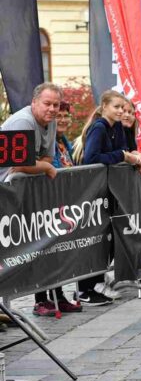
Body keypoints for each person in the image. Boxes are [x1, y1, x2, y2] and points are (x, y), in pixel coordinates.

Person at [78, 90, 141, 306]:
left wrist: (134, 157)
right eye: (116, 107)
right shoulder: (99, 127)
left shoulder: (116, 127)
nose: (120, 112)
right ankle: (86, 288)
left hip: (109, 190)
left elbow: (123, 150)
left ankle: (98, 279)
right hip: (92, 191)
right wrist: (123, 156)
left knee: (106, 237)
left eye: (123, 108)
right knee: (93, 238)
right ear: (104, 107)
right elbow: (91, 158)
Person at [30, 100, 82, 316]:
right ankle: (41, 299)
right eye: (58, 115)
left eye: (65, 115)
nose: (62, 119)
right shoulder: (45, 141)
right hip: (44, 204)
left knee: (58, 251)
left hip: (61, 205)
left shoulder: (63, 142)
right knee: (43, 252)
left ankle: (58, 296)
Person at [0, 83, 61, 183]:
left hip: (21, 184)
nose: (52, 109)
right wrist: (46, 167)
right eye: (47, 104)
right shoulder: (23, 121)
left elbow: (48, 157)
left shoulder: (52, 121)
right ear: (34, 102)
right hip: (4, 184)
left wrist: (34, 166)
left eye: (56, 105)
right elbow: (22, 164)